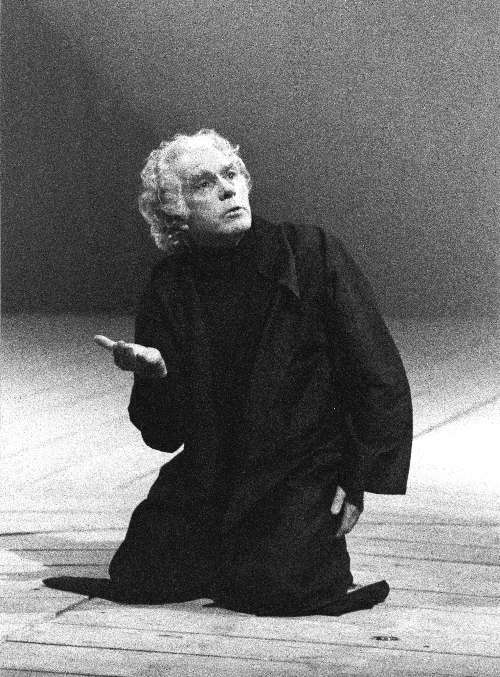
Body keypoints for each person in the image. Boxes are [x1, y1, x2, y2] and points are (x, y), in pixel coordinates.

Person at [94, 129, 412, 616]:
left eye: (231, 174)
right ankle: (235, 556)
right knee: (142, 574)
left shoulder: (311, 252)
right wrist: (155, 375)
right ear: (176, 211)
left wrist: (358, 474)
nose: (227, 188)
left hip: (299, 468)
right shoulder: (170, 284)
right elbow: (164, 435)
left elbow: (376, 371)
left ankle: (265, 557)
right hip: (213, 468)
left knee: (279, 586)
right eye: (205, 183)